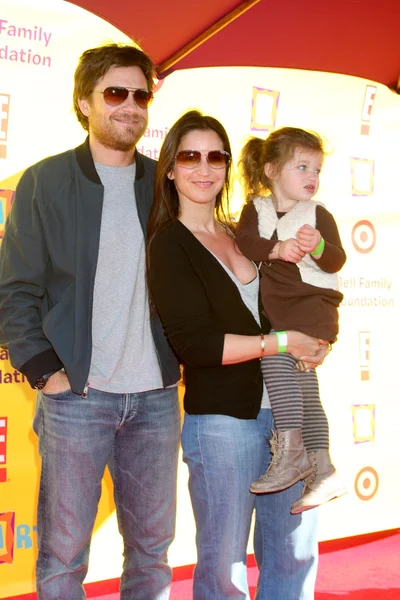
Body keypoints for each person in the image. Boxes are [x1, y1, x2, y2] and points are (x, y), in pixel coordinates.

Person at [0, 44, 181, 600]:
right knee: (62, 557)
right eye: (115, 93)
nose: (131, 106)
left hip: (156, 398)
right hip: (77, 397)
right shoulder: (44, 182)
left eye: (141, 94)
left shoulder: (166, 185)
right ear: (85, 101)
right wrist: (46, 372)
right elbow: (15, 288)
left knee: (152, 554)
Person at [147, 110, 327, 600]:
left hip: (288, 416)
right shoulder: (169, 245)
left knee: (294, 556)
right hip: (225, 423)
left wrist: (312, 337)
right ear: (170, 168)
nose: (203, 168)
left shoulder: (247, 231)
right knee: (225, 569)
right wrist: (284, 343)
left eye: (215, 157)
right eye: (189, 156)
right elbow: (196, 346)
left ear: (228, 165)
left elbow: (293, 300)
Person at [236, 127, 347, 514]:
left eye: (317, 169)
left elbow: (336, 260)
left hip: (312, 308)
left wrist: (316, 245)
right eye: (302, 167)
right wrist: (277, 248)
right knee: (304, 387)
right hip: (282, 311)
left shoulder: (318, 214)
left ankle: (291, 451)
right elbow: (244, 242)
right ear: (271, 170)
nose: (312, 176)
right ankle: (323, 468)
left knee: (274, 357)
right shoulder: (256, 209)